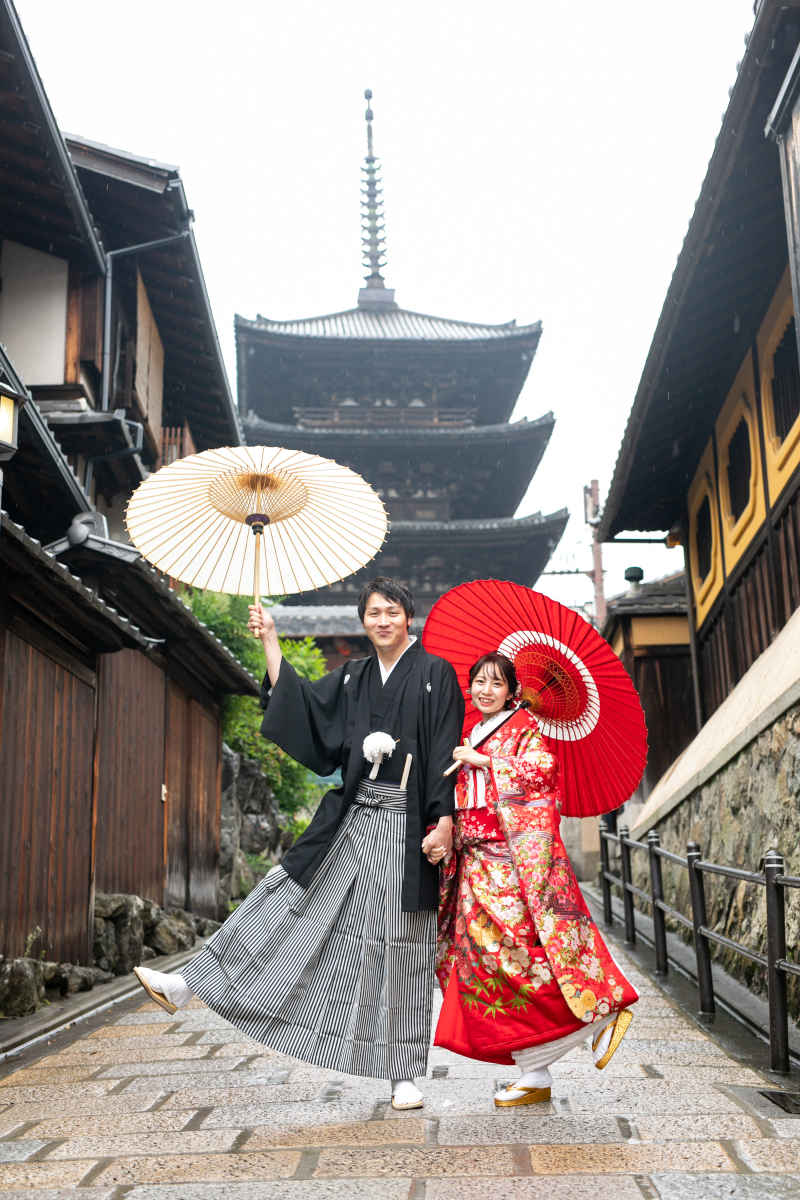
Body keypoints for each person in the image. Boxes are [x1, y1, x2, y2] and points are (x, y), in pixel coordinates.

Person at [133, 576, 463, 1112]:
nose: (383, 621)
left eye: (393, 611)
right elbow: (307, 711)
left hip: (405, 827)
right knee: (284, 899)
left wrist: (442, 820)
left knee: (401, 945)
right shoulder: (353, 676)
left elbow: (444, 747)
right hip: (351, 818)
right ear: (363, 621)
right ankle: (191, 984)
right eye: (373, 613)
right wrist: (270, 640)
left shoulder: (434, 675)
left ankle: (403, 1071)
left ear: (409, 617)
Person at [435, 652, 638, 1108]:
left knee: (519, 953)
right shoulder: (473, 733)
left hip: (508, 861)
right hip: (474, 860)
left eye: (496, 684)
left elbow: (543, 773)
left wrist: (486, 763)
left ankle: (599, 1009)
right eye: (479, 682)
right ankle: (536, 1069)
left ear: (512, 691)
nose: (486, 691)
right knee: (487, 962)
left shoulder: (521, 727)